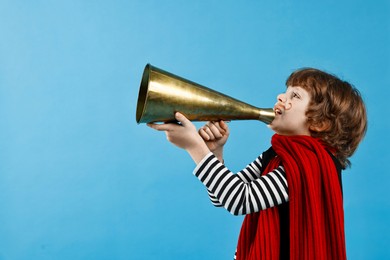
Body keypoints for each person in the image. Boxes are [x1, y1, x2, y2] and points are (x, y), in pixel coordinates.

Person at [147, 68, 367, 260]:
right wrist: (215, 153)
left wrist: (195, 147)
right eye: (285, 90)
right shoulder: (277, 154)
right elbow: (222, 198)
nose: (281, 96)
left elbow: (238, 200)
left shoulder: (305, 166)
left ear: (320, 122)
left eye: (295, 95)